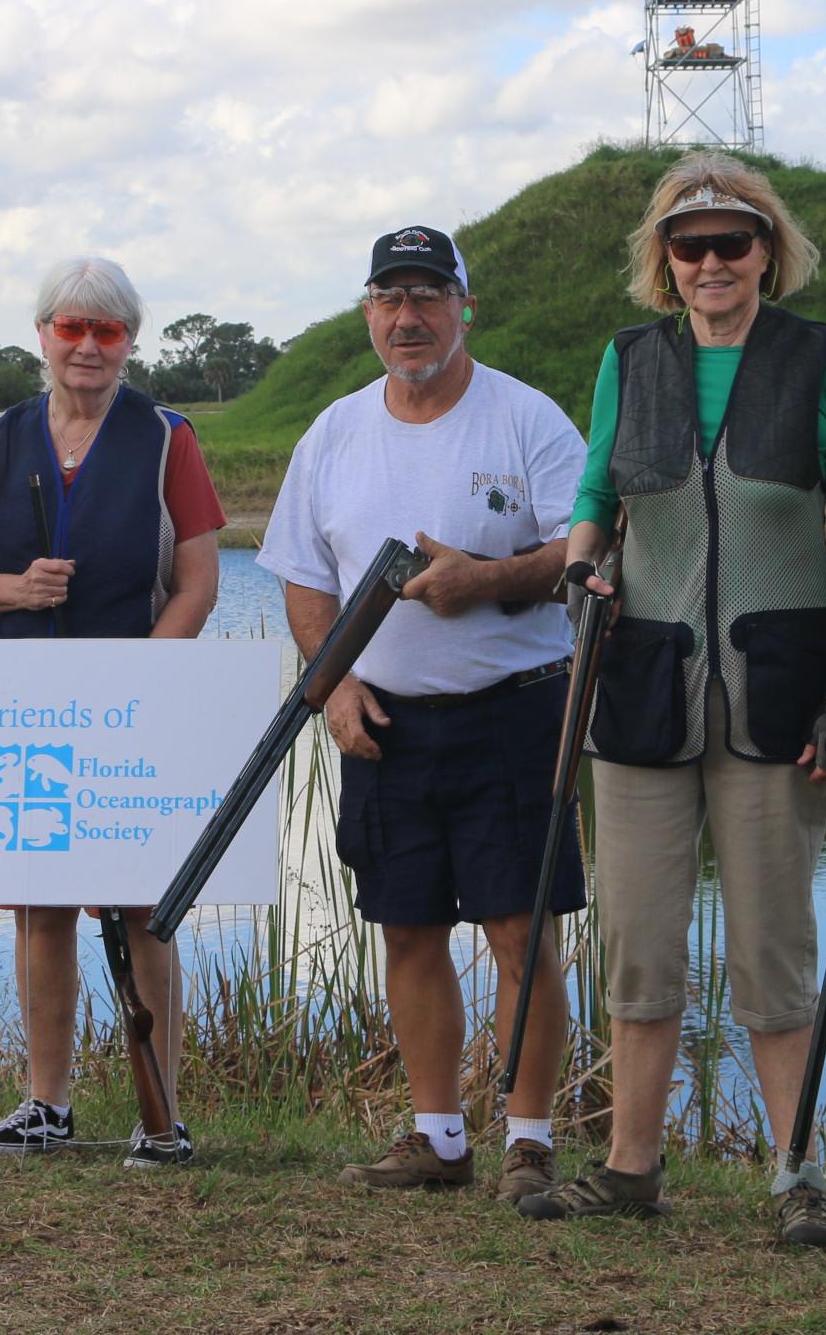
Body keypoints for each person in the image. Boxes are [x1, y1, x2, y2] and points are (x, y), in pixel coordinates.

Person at [517, 152, 826, 1247]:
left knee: (773, 943)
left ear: (770, 250)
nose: (713, 262)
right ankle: (631, 1168)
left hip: (778, 689)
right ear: (664, 262)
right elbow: (594, 491)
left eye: (734, 241)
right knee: (637, 938)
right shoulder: (631, 359)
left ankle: (795, 1174)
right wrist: (584, 563)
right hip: (642, 688)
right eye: (691, 246)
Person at [258, 224, 587, 1204]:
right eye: (389, 300)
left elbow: (585, 552)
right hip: (386, 723)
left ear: (463, 308)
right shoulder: (335, 432)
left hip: (514, 713)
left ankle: (529, 1139)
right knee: (406, 926)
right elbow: (305, 577)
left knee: (520, 932)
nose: (408, 319)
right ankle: (438, 1136)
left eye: (427, 298)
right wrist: (335, 685)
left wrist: (485, 581)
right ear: (368, 313)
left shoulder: (527, 421)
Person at [0, 256, 224, 1169]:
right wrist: (10, 590)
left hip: (136, 707)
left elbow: (200, 584)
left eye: (109, 331)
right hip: (23, 708)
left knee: (143, 912)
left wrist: (143, 689)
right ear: (44, 334)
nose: (88, 347)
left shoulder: (169, 438)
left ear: (131, 341)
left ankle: (161, 1115)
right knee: (40, 910)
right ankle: (46, 1104)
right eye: (72, 329)